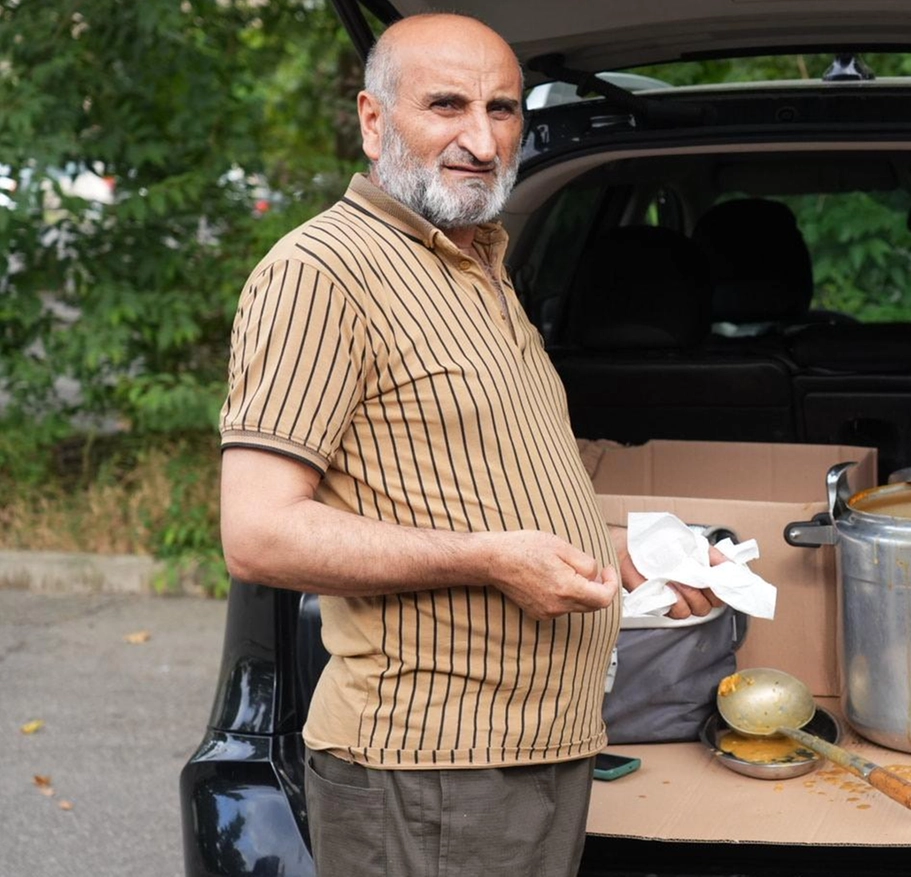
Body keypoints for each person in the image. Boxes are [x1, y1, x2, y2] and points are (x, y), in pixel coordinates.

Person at [218, 13, 721, 876]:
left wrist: (608, 552)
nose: (482, 140)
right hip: (429, 769)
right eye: (446, 105)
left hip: (534, 748)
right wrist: (493, 558)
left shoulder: (478, 258)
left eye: (504, 109)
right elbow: (259, 533)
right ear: (374, 122)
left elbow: (463, 477)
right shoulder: (321, 274)